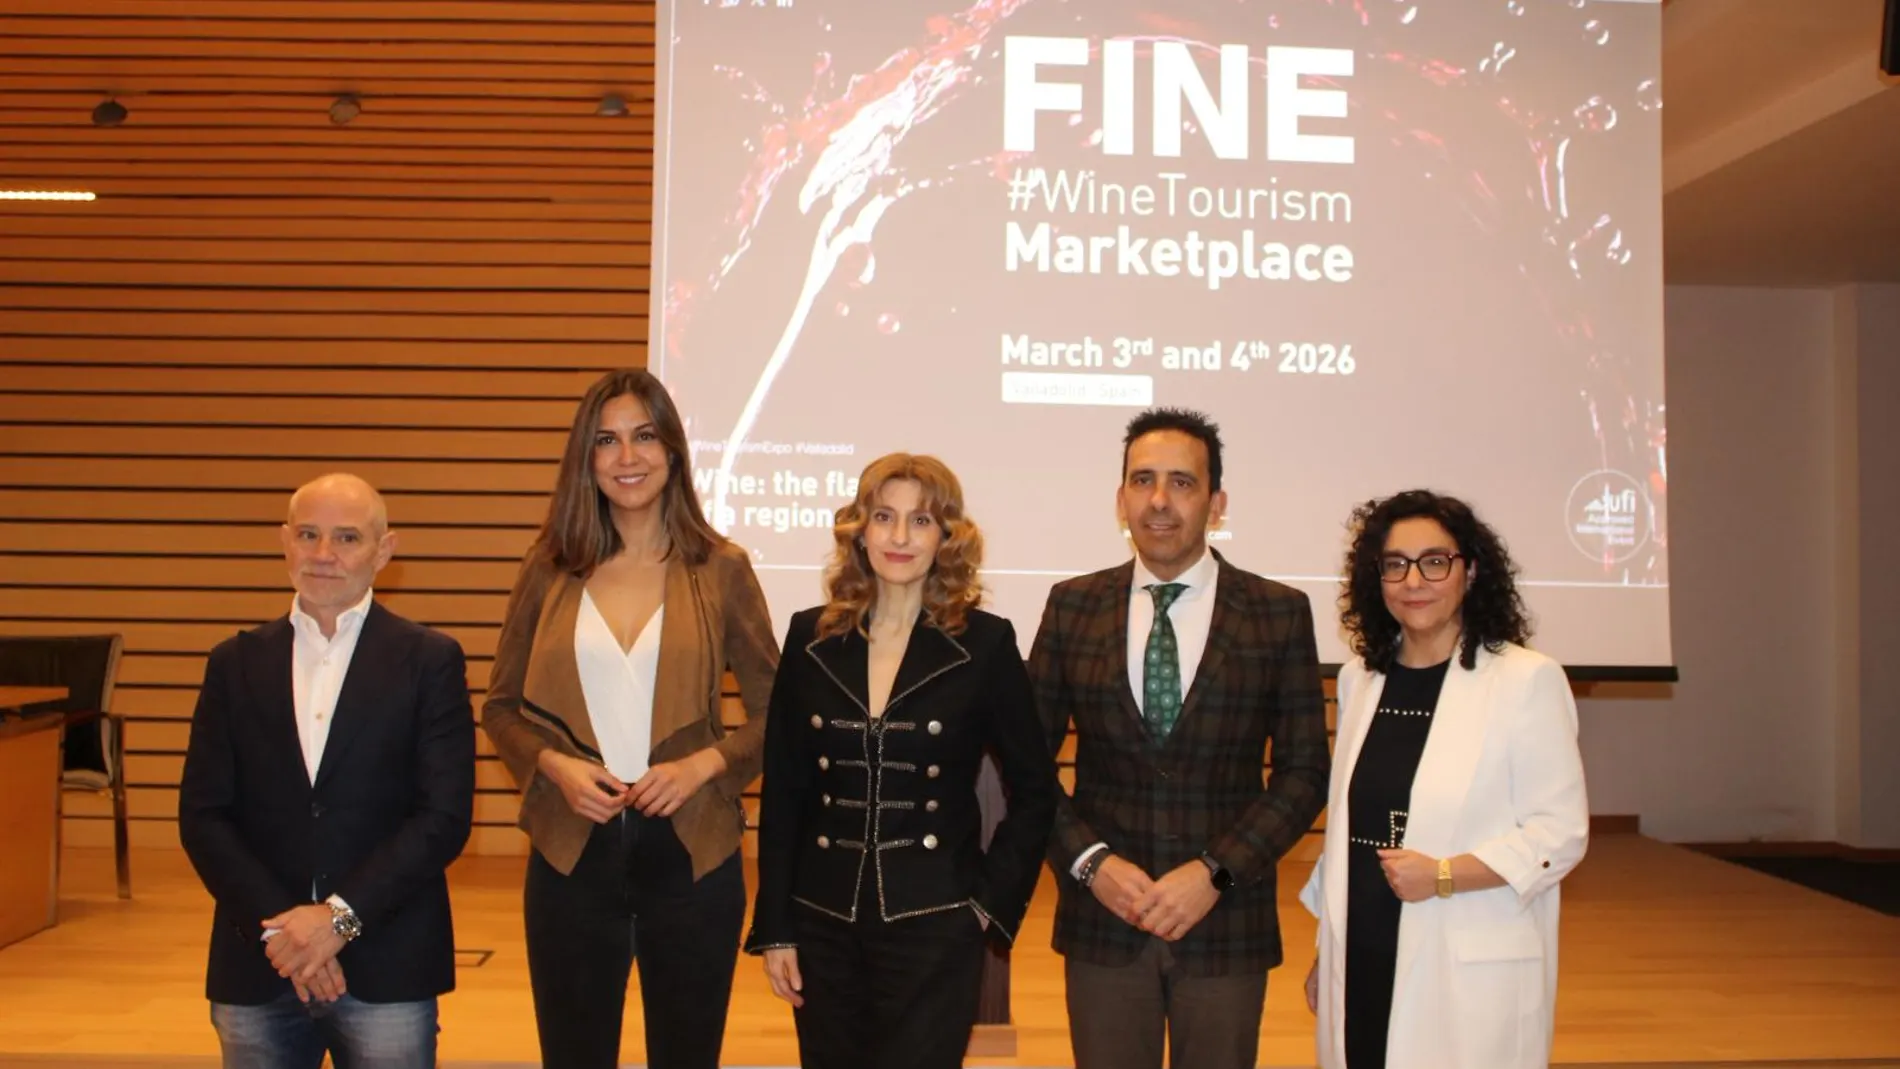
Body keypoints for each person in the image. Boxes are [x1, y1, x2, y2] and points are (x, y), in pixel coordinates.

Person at [481, 368, 779, 1069]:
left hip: (693, 851)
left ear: (672, 449)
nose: (627, 457)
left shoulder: (722, 568)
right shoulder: (548, 567)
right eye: (606, 440)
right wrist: (552, 765)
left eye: (644, 436)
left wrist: (706, 765)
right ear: (585, 458)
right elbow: (500, 708)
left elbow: (780, 713)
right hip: (570, 848)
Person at [1028, 408, 1331, 1069]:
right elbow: (1025, 766)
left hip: (1225, 921)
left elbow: (1306, 771)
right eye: (1143, 480)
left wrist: (1215, 871)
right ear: (1121, 499)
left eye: (1182, 482)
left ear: (1216, 503)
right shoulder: (1072, 606)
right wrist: (1090, 864)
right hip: (1104, 922)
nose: (1159, 500)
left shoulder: (1277, 613)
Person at [745, 452, 1058, 1069]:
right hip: (822, 922)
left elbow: (1035, 789)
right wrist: (776, 926)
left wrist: (984, 907)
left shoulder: (986, 644)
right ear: (859, 529)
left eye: (921, 520)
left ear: (946, 536)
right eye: (884, 516)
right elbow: (784, 793)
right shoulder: (810, 637)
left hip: (937, 923)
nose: (899, 536)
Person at [178, 473, 476, 1069]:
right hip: (259, 962)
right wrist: (284, 935)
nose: (323, 554)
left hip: (388, 962)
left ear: (384, 551)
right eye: (308, 534)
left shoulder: (429, 661)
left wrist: (338, 920)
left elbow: (442, 818)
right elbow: (204, 817)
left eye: (346, 538)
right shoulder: (234, 663)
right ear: (284, 541)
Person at [1299, 489, 1590, 1069]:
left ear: (1470, 571)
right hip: (1363, 944)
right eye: (1395, 564)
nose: (1414, 581)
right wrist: (1326, 950)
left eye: (1435, 561)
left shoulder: (1525, 680)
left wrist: (1444, 875)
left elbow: (1560, 834)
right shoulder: (1361, 679)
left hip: (1466, 952)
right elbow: (1350, 832)